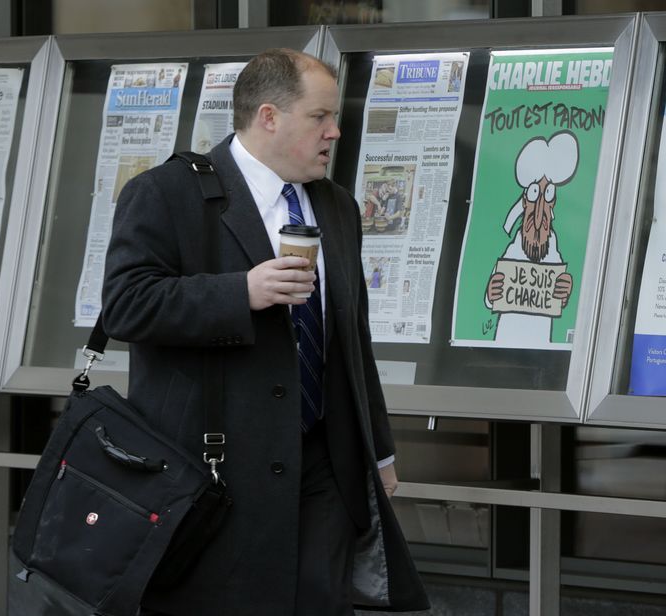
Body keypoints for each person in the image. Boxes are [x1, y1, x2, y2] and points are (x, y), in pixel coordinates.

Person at [102, 48, 428, 616]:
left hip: (324, 470)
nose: (336, 132)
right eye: (320, 118)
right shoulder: (167, 193)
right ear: (269, 117)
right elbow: (126, 306)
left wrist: (378, 452)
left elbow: (352, 341)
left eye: (334, 119)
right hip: (214, 476)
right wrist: (240, 293)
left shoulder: (338, 207)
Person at [485, 130, 576, 347]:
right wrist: (491, 292)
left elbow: (560, 296)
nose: (540, 209)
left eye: (548, 195)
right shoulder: (513, 249)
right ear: (525, 199)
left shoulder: (553, 250)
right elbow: (491, 295)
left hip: (542, 347)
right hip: (505, 343)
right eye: (536, 193)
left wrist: (565, 290)